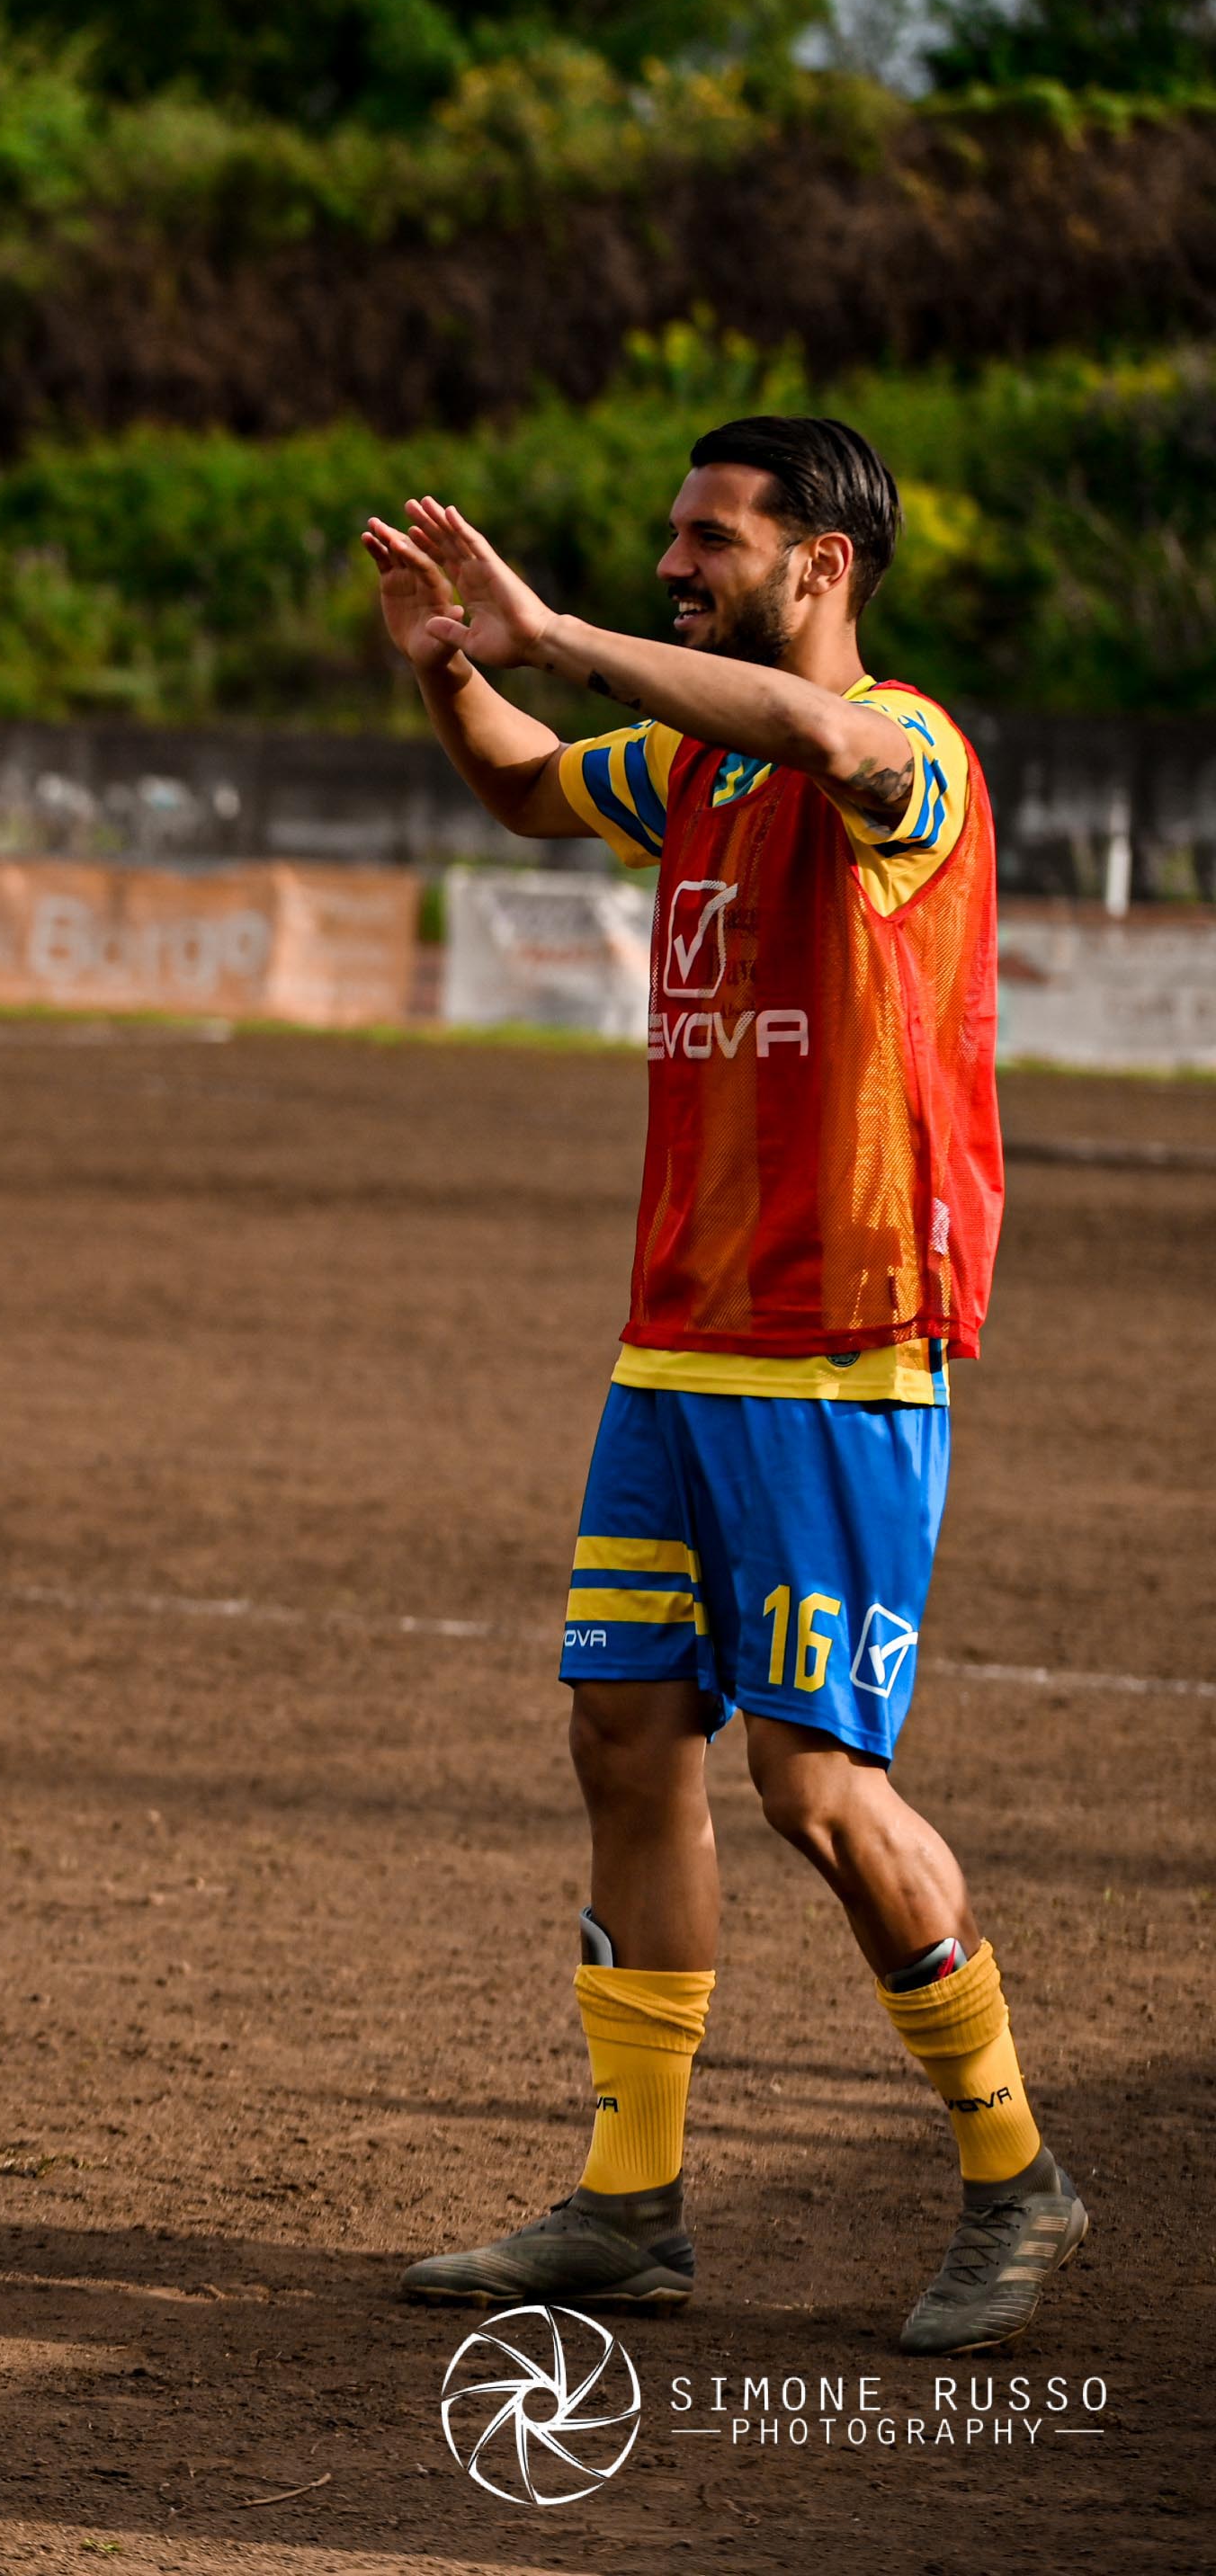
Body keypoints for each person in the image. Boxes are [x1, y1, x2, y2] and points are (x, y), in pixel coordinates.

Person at [362, 419, 1077, 2354]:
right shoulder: (690, 763)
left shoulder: (904, 752)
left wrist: (557, 632)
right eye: (670, 537)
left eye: (713, 540)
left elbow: (825, 737)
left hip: (836, 1344)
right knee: (622, 1739)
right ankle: (627, 2206)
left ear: (819, 565)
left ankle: (1012, 2171)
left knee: (813, 1785)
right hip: (672, 1340)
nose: (676, 562)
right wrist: (452, 671)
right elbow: (526, 785)